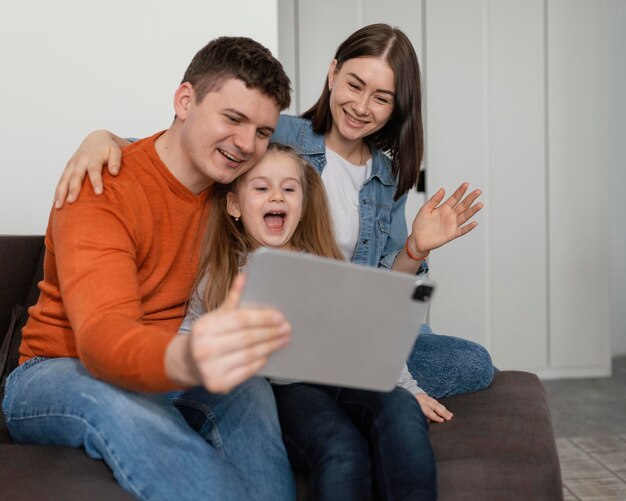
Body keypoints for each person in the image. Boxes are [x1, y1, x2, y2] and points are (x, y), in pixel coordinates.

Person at [53, 23, 495, 420]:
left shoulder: (386, 175)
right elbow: (182, 143)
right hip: (274, 325)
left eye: (381, 98)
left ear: (397, 107)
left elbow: (381, 294)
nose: (361, 107)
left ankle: (331, 382)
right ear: (332, 73)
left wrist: (416, 248)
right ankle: (318, 386)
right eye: (354, 85)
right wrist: (101, 138)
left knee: (472, 363)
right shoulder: (276, 134)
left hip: (339, 325)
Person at [2, 37, 297, 501]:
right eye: (233, 118)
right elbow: (103, 341)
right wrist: (190, 357)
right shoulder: (100, 188)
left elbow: (331, 135)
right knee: (128, 409)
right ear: (185, 101)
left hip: (164, 365)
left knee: (251, 390)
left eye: (263, 132)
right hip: (57, 370)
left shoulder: (232, 189)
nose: (246, 144)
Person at [183, 141, 437, 500]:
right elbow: (190, 337)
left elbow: (369, 334)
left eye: (289, 188)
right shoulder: (223, 273)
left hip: (347, 374)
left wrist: (409, 388)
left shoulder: (326, 266)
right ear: (234, 205)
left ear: (302, 206)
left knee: (400, 410)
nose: (277, 197)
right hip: (288, 389)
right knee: (341, 447)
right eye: (261, 188)